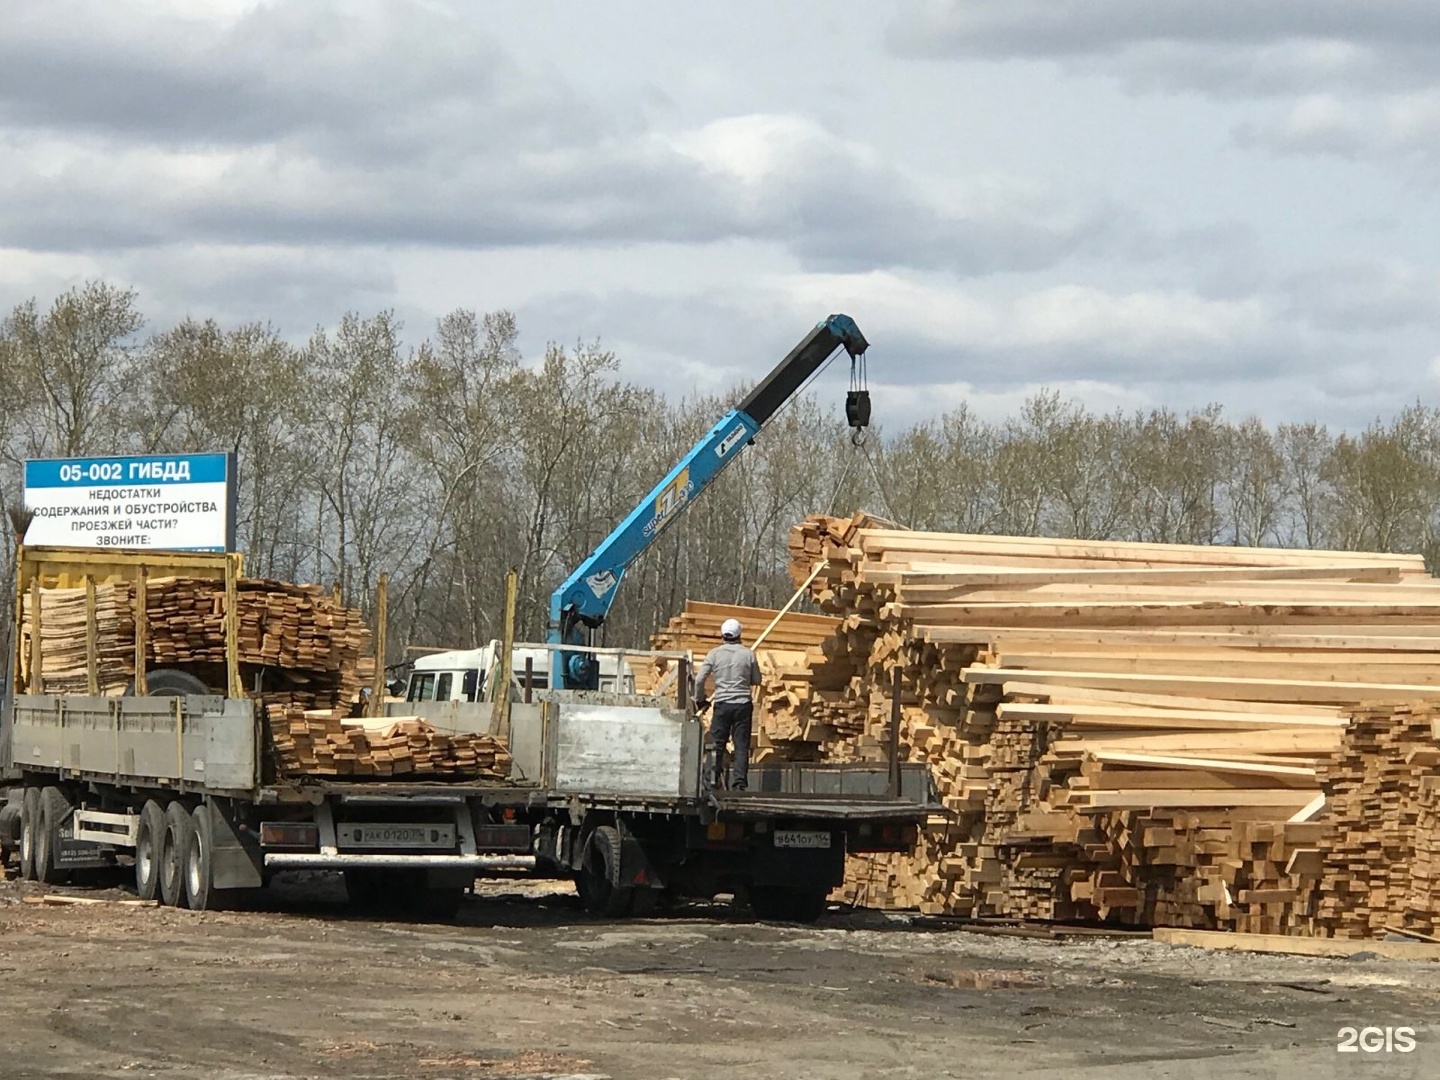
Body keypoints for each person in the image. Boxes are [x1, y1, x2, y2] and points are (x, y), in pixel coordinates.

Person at [694, 618, 762, 791]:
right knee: (741, 745)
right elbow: (757, 679)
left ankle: (711, 781)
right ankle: (739, 784)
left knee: (717, 744)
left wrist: (700, 698)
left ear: (723, 634)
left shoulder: (714, 654)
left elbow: (699, 679)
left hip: (722, 704)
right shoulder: (748, 654)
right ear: (740, 634)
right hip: (742, 704)